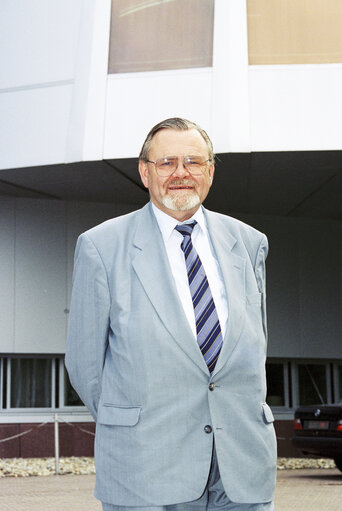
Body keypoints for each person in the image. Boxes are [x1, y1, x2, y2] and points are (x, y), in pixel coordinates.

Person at [65, 118, 277, 511]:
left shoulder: (249, 243)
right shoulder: (101, 246)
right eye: (166, 163)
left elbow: (254, 347)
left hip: (242, 469)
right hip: (147, 469)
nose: (181, 173)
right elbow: (85, 367)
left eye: (194, 162)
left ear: (210, 172)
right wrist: (137, 423)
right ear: (145, 172)